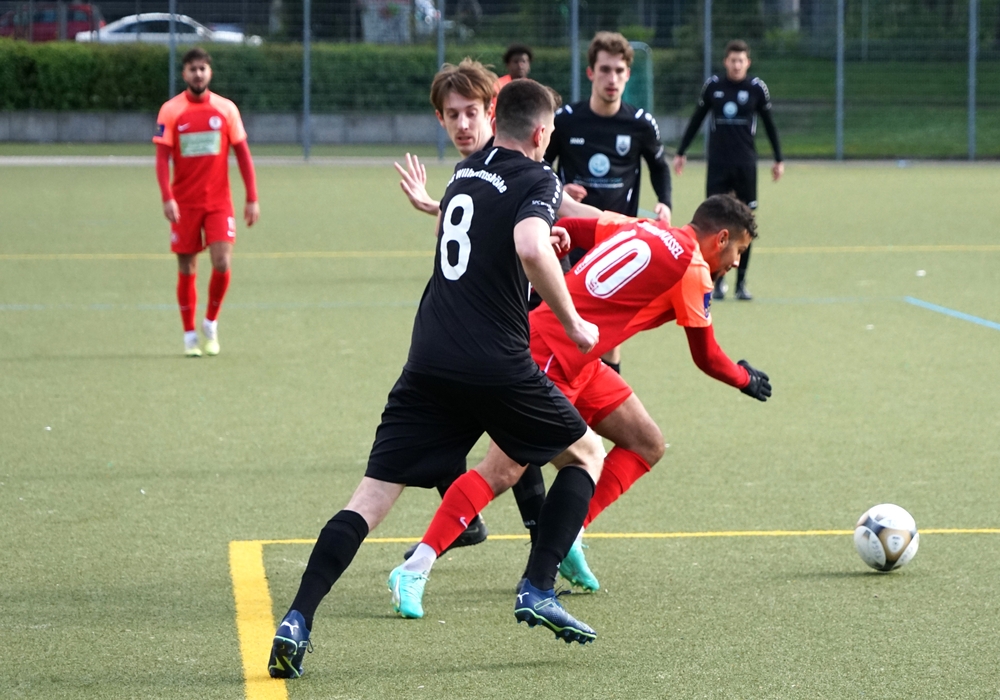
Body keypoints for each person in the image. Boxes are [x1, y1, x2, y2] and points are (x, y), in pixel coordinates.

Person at [268, 79, 607, 680]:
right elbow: (529, 246)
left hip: (428, 360)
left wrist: (540, 242)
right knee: (585, 453)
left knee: (369, 500)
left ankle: (297, 618)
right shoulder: (540, 177)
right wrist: (574, 322)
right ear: (541, 132)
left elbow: (494, 246)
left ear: (495, 118)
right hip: (494, 364)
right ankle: (537, 586)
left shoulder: (465, 173)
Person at [387, 194, 772, 616]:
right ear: (721, 238)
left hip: (579, 359)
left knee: (646, 442)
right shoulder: (693, 269)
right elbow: (706, 357)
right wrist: (745, 377)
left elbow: (573, 227)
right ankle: (415, 567)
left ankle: (569, 534)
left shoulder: (644, 226)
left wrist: (560, 244)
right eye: (738, 250)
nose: (736, 262)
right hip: (547, 356)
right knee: (503, 470)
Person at [393, 59, 604, 560]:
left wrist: (638, 228)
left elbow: (558, 219)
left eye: (471, 112)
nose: (462, 125)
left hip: (529, 318)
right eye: (452, 115)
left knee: (513, 441)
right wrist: (435, 204)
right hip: (488, 325)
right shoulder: (472, 169)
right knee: (491, 430)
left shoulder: (520, 162)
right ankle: (531, 540)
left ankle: (544, 543)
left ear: (492, 112)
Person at [543, 31, 673, 376]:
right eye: (604, 70)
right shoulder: (566, 120)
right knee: (565, 322)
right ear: (591, 73)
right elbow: (538, 164)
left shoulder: (640, 123)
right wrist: (560, 190)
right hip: (569, 237)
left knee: (609, 328)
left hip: (617, 239)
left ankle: (606, 389)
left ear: (628, 74)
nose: (611, 78)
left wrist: (665, 202)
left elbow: (659, 167)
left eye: (618, 70)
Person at [153, 47, 259, 357]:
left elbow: (243, 155)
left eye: (202, 69)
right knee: (187, 266)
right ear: (184, 74)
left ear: (209, 73)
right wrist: (167, 198)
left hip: (218, 202)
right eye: (192, 69)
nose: (198, 74)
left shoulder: (226, 109)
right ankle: (189, 335)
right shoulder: (170, 110)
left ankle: (210, 322)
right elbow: (161, 160)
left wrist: (252, 197)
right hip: (184, 203)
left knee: (222, 262)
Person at [674, 39, 783, 302]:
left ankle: (741, 283)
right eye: (732, 60)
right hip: (718, 164)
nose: (736, 65)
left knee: (746, 224)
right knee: (715, 223)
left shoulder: (756, 89)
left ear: (748, 63)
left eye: (741, 60)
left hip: (745, 165)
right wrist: (681, 151)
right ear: (726, 62)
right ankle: (716, 280)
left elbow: (769, 124)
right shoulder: (713, 87)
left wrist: (778, 159)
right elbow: (697, 119)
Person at [491, 43, 532, 114]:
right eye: (515, 62)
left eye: (523, 61)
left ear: (529, 65)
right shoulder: (498, 86)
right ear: (508, 65)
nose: (520, 65)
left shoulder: (533, 88)